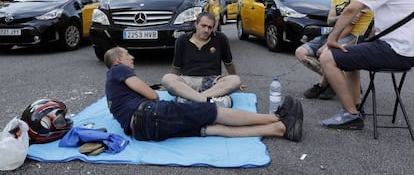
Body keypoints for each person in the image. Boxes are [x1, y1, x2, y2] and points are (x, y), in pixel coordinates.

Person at [104, 47, 304, 142]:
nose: (133, 57)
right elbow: (152, 95)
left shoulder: (112, 86)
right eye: (128, 54)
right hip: (149, 115)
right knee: (212, 111)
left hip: (143, 131)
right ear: (119, 59)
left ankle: (279, 129)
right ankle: (278, 117)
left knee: (211, 128)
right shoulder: (118, 70)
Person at [319, 0, 414, 129]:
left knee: (327, 57)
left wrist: (332, 40)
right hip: (404, 50)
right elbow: (380, 27)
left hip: (396, 51)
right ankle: (355, 104)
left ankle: (350, 115)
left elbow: (352, 9)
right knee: (349, 54)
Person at [295, 0, 374, 99]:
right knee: (300, 53)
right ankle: (337, 80)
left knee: (325, 53)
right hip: (334, 32)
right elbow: (330, 20)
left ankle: (322, 85)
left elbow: (349, 26)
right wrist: (343, 17)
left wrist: (328, 44)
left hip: (353, 36)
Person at [161, 12, 244, 108]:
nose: (206, 30)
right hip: (188, 81)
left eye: (210, 27)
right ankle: (207, 100)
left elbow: (228, 63)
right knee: (167, 78)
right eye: (203, 26)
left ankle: (191, 99)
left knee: (235, 80)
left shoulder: (220, 39)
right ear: (196, 24)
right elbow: (176, 68)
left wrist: (237, 83)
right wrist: (170, 84)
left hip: (212, 82)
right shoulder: (182, 40)